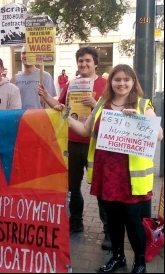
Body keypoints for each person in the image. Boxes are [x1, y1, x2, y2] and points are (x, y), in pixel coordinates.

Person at [67, 64, 163, 273]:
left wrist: (138, 119)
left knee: (132, 220)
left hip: (130, 177)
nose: (121, 83)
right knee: (113, 220)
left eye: (126, 79)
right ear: (111, 82)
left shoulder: (142, 104)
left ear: (133, 82)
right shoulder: (102, 103)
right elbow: (84, 130)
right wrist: (64, 116)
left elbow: (159, 134)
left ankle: (139, 262)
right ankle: (118, 257)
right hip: (106, 173)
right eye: (117, 79)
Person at [38, 46, 111, 250]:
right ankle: (76, 223)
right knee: (73, 186)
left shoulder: (106, 85)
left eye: (87, 61)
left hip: (96, 145)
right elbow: (59, 107)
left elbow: (114, 113)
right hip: (72, 142)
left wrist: (95, 103)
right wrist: (46, 97)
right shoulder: (72, 84)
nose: (83, 64)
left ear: (95, 63)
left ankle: (108, 231)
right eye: (80, 61)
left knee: (101, 188)